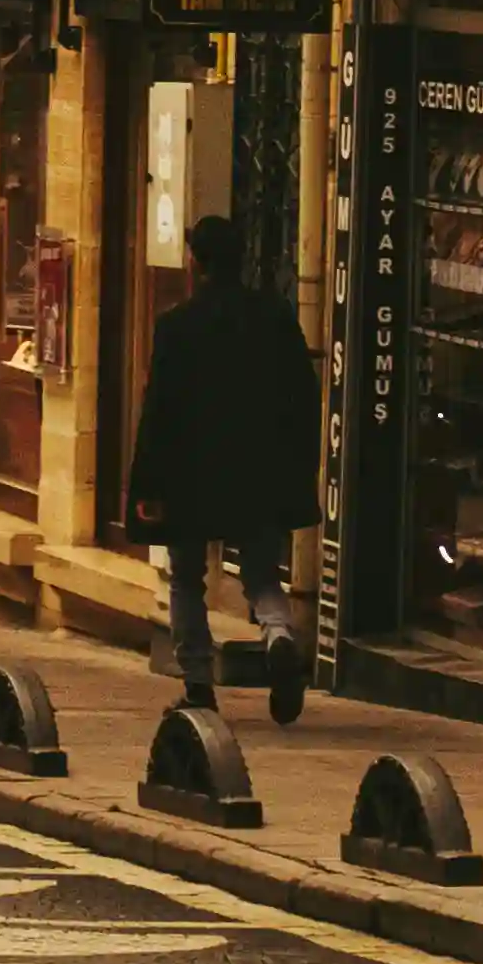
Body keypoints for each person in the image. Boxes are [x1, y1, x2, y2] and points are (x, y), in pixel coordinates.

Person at [125, 215, 319, 723]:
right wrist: (296, 464)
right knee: (259, 570)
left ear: (196, 263)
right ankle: (278, 636)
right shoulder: (274, 317)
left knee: (187, 577)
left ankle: (197, 685)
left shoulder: (176, 326)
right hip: (258, 470)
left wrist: (147, 483)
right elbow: (303, 395)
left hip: (192, 474)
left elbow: (158, 412)